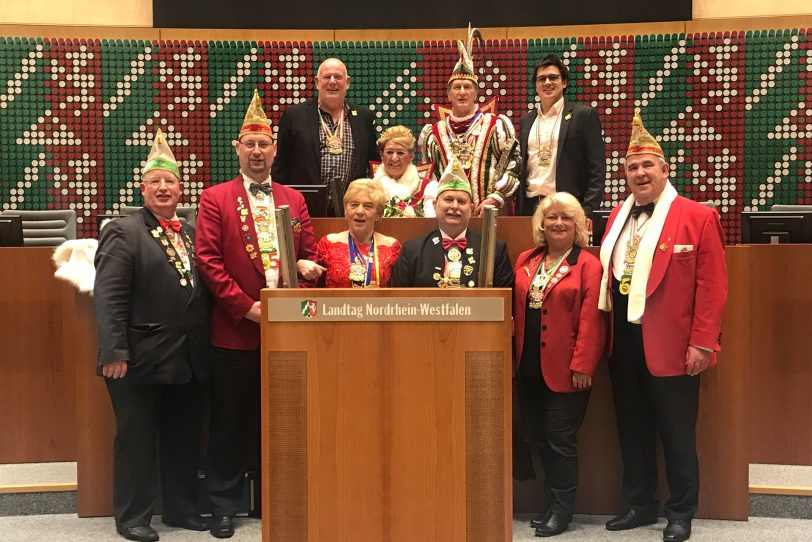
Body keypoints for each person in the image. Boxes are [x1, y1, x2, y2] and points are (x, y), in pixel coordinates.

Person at [195, 90, 322, 539]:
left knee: (285, 420)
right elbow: (209, 263)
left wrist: (295, 298)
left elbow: (308, 257)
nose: (256, 152)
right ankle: (223, 505)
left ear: (274, 150)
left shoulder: (294, 199)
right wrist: (246, 308)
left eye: (263, 145)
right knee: (230, 421)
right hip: (235, 331)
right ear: (237, 149)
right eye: (248, 145)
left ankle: (280, 500)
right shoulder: (215, 199)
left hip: (287, 331)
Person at [598, 110, 727, 542]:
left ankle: (681, 511)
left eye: (647, 165)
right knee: (631, 427)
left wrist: (703, 343)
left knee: (676, 431)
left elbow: (712, 289)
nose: (639, 173)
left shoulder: (697, 216)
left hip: (673, 343)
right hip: (624, 342)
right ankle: (639, 505)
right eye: (632, 167)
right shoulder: (618, 215)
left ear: (665, 169)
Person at [93, 128, 210, 542]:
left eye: (170, 182)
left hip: (188, 358)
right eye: (155, 182)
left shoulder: (195, 230)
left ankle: (180, 510)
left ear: (181, 188)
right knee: (137, 440)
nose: (163, 188)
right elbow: (108, 297)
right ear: (142, 189)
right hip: (137, 360)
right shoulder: (123, 231)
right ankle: (132, 517)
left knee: (183, 438)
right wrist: (114, 351)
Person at [512, 192, 606, 537]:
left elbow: (593, 320)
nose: (558, 223)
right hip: (529, 367)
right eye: (551, 217)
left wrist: (583, 365)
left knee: (560, 439)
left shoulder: (587, 265)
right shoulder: (527, 259)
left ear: (578, 224)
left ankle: (563, 511)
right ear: (541, 223)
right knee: (540, 437)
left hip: (567, 370)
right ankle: (552, 503)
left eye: (566, 217)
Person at [419, 25, 521, 216]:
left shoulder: (495, 125)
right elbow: (430, 176)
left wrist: (496, 197)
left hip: (489, 214)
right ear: (448, 95)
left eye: (468, 86)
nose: (462, 92)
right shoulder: (433, 133)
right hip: (448, 216)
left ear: (476, 93)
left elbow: (514, 164)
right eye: (457, 87)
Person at [390, 158, 513, 288]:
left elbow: (504, 302)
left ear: (471, 209)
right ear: (435, 205)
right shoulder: (412, 250)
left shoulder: (493, 251)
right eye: (448, 200)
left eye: (461, 201)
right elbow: (398, 301)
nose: (454, 206)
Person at [515, 54, 606, 226]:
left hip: (568, 207)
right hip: (530, 206)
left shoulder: (583, 115)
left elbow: (597, 170)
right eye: (541, 79)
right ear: (536, 86)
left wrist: (588, 211)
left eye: (553, 77)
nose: (547, 82)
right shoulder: (526, 121)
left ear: (564, 82)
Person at [272, 57, 379, 192]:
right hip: (305, 207)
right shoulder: (294, 116)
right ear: (317, 82)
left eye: (338, 77)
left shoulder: (364, 117)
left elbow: (374, 165)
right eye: (327, 77)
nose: (332, 81)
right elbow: (280, 167)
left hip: (352, 208)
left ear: (347, 83)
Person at [315, 178, 402, 287]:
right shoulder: (327, 244)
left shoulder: (391, 246)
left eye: (368, 206)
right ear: (346, 210)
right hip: (335, 304)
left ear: (378, 214)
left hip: (377, 304)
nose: (360, 211)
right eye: (354, 205)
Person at [370, 125, 437, 217]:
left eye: (400, 153)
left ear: (411, 156)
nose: (394, 158)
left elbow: (431, 224)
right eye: (389, 152)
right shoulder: (369, 188)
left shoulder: (427, 187)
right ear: (381, 155)